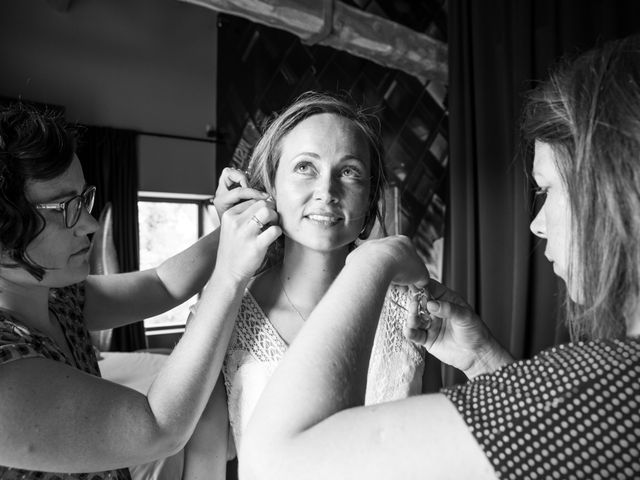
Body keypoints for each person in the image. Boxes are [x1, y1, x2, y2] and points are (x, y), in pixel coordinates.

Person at [240, 36, 640, 479]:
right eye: (304, 167)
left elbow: (282, 460)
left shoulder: (608, 387)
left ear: (617, 192)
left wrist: (377, 260)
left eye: (547, 190)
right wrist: (481, 359)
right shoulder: (608, 395)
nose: (536, 224)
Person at [0, 103, 281, 479]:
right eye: (63, 208)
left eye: (83, 200)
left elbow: (162, 284)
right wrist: (229, 275)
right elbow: (158, 428)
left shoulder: (59, 297)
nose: (89, 223)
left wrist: (228, 224)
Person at [191, 92, 428, 470]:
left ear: (369, 199)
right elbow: (204, 468)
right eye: (305, 167)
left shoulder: (410, 307)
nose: (327, 192)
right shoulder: (225, 315)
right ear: (270, 185)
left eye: (349, 171)